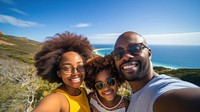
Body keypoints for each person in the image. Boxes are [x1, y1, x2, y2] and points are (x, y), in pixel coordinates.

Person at [111, 31, 200, 112]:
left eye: (135, 48)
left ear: (149, 53)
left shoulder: (159, 91)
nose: (125, 56)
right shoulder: (135, 93)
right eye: (118, 53)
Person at [32, 31, 93, 112]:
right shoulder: (57, 99)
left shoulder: (82, 90)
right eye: (67, 68)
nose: (75, 72)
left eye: (80, 66)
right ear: (59, 73)